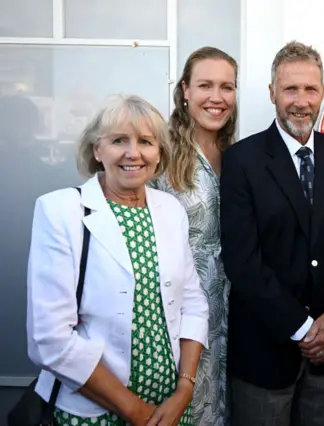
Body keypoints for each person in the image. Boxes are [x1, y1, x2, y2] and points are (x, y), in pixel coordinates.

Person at [26, 94, 209, 426]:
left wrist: (184, 390)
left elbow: (193, 303)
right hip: (94, 414)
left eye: (145, 142)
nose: (133, 153)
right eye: (118, 140)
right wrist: (138, 413)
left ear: (159, 154)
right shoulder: (60, 211)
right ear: (98, 150)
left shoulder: (170, 210)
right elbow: (48, 338)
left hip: (169, 412)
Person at [219, 41, 324, 426]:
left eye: (310, 89)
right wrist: (304, 330)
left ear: (322, 92)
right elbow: (243, 261)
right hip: (264, 354)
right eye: (290, 89)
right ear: (272, 93)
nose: (301, 101)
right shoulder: (241, 160)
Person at [149, 46, 237, 426]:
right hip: (176, 312)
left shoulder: (239, 153)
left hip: (233, 312)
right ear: (185, 90)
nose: (216, 97)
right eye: (205, 85)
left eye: (226, 87)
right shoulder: (159, 152)